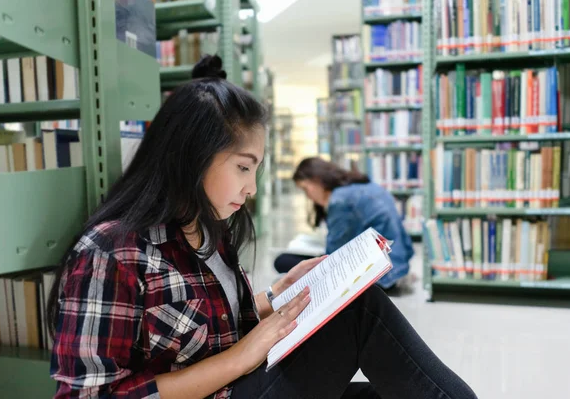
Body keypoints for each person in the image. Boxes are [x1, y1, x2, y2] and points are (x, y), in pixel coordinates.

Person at [48, 55, 477, 399]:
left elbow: (207, 325)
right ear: (193, 156)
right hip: (231, 385)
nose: (252, 188)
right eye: (242, 167)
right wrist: (240, 358)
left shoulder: (205, 227)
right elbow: (92, 395)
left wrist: (279, 294)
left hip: (242, 380)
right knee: (359, 313)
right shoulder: (110, 251)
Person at [275, 157, 415, 290]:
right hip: (397, 265)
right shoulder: (362, 184)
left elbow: (333, 256)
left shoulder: (339, 200)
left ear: (317, 180)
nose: (308, 196)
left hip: (380, 277)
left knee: (283, 261)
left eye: (306, 189)